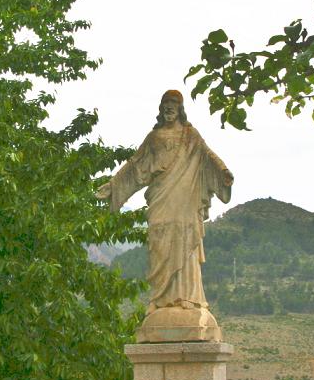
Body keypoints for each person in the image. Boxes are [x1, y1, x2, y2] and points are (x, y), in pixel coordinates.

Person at [97, 90, 233, 317]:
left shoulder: (191, 135)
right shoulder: (154, 137)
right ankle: (159, 299)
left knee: (185, 238)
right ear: (161, 108)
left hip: (186, 197)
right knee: (159, 239)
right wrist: (113, 185)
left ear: (180, 108)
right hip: (161, 195)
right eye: (166, 103)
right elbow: (135, 163)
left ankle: (188, 297)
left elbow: (207, 155)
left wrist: (223, 171)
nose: (169, 107)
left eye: (173, 103)